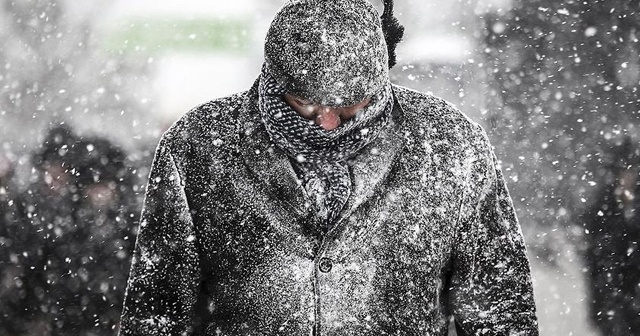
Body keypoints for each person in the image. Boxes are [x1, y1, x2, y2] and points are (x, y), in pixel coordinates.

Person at [119, 0, 539, 335]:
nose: (327, 122)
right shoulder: (199, 145)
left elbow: (499, 307)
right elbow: (157, 308)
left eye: (347, 105)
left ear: (379, 82)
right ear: (274, 79)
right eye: (305, 104)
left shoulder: (449, 145)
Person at [583, 138, 640, 335]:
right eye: (623, 171)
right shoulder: (602, 209)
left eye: (632, 171)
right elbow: (595, 261)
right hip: (612, 302)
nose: (628, 177)